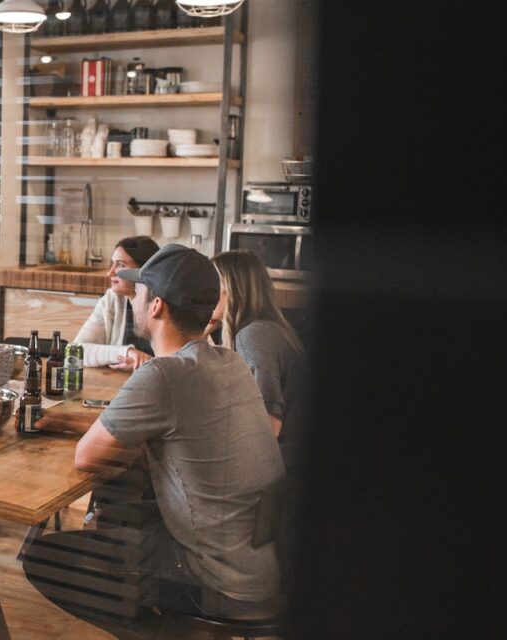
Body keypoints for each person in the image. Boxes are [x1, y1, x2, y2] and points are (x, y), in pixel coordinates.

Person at [24, 244, 285, 629]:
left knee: (45, 559)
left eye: (140, 291)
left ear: (157, 305)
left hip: (211, 580)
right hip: (257, 570)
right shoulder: (228, 362)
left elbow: (87, 457)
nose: (133, 299)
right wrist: (64, 422)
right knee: (127, 518)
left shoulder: (163, 374)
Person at [211, 250, 306, 468]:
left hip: (282, 468)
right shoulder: (267, 328)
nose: (204, 291)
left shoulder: (253, 337)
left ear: (232, 289)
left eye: (212, 283)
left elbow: (267, 426)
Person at [72, 235, 159, 371]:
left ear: (143, 270)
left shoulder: (164, 304)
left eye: (120, 265)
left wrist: (143, 364)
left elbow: (178, 364)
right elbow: (76, 351)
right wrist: (127, 353)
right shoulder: (112, 299)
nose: (110, 272)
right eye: (112, 263)